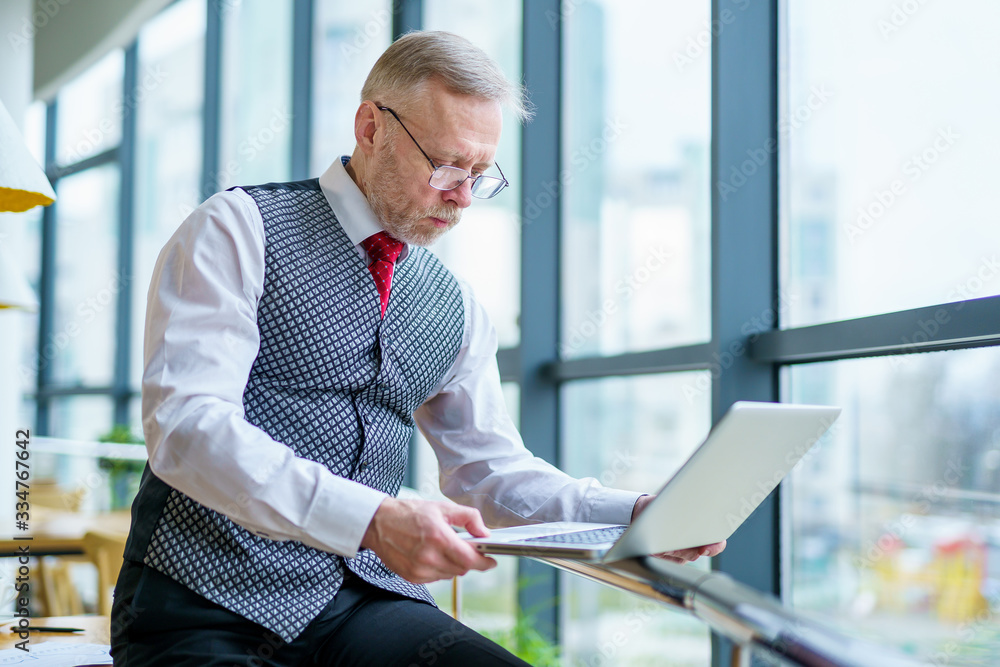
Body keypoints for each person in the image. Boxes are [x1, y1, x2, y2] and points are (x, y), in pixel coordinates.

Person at [111, 30, 725, 666]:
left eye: (480, 176)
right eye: (448, 166)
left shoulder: (456, 306)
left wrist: (629, 516)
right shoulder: (236, 228)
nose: (461, 196)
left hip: (365, 604)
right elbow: (187, 429)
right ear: (370, 127)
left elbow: (487, 472)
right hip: (205, 603)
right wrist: (372, 519)